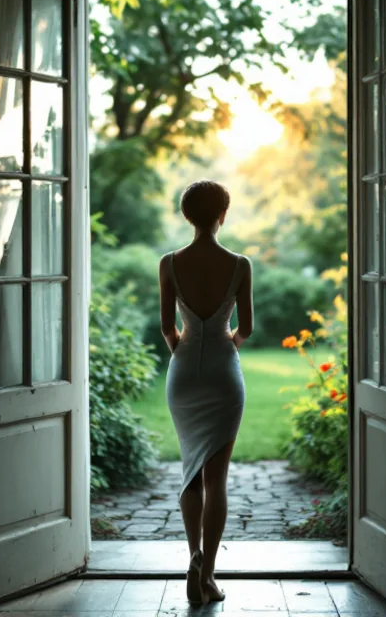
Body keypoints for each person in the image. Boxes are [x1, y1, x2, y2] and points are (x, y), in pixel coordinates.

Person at [159, 179, 253, 605]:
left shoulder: (169, 263)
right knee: (217, 479)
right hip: (221, 370)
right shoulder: (239, 264)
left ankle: (194, 556)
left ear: (186, 216)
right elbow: (245, 328)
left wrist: (184, 350)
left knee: (190, 471)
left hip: (183, 372)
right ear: (222, 215)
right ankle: (208, 576)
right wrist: (223, 347)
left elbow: (167, 327)